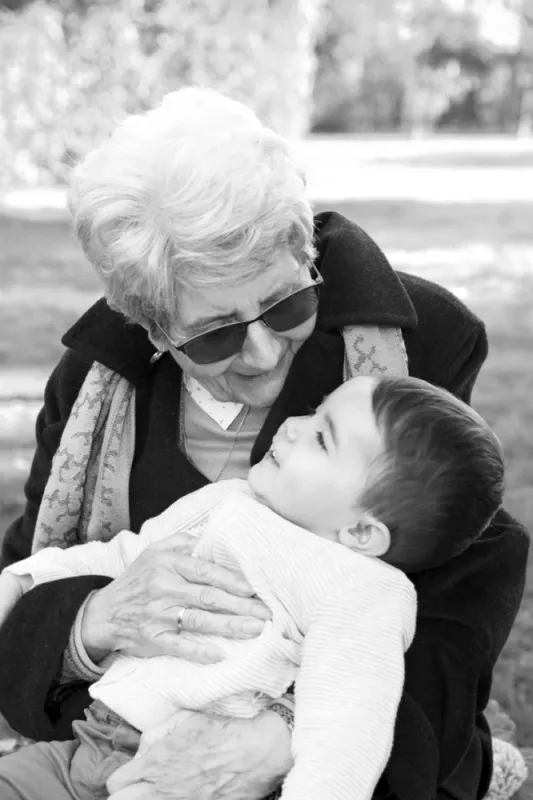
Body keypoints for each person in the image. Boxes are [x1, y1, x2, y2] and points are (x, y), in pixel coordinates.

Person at [0, 86, 529, 800]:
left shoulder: (410, 342)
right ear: (153, 330)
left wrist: (282, 736)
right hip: (110, 732)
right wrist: (93, 620)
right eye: (214, 334)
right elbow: (33, 571)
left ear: (305, 255)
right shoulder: (99, 382)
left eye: (286, 305)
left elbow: (444, 588)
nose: (258, 352)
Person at [0, 374, 505, 800]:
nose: (291, 427)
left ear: (360, 532)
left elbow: (346, 727)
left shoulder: (361, 588)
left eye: (322, 439)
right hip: (92, 738)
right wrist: (24, 579)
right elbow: (126, 557)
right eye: (312, 412)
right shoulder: (227, 502)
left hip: (183, 768)